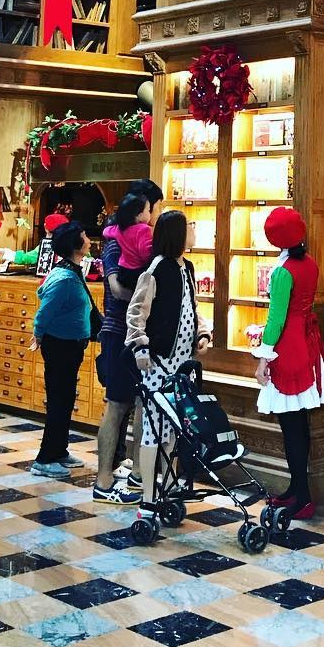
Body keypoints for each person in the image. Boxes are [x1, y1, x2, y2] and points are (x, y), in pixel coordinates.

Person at [125, 209, 212, 511]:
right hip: (159, 363)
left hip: (182, 364)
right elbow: (137, 312)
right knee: (153, 428)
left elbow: (192, 307)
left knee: (174, 427)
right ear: (177, 232)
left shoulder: (187, 268)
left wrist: (201, 333)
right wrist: (140, 346)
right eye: (190, 225)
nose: (194, 230)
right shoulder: (156, 269)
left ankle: (169, 485)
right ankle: (149, 495)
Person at [251, 207, 324, 520]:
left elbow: (276, 319)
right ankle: (297, 489)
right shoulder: (309, 263)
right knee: (300, 424)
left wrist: (263, 357)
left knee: (290, 427)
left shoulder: (282, 271)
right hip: (307, 344)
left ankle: (302, 498)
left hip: (288, 348)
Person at [92, 180, 162, 503]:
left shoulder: (140, 235)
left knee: (141, 405)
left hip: (141, 335)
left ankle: (135, 475)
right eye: (154, 207)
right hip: (119, 332)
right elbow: (117, 289)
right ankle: (103, 481)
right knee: (117, 406)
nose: (156, 213)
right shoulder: (115, 242)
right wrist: (151, 292)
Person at [30, 220, 99, 478]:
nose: (89, 240)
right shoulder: (65, 278)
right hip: (60, 345)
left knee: (66, 399)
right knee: (59, 401)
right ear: (75, 244)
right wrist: (38, 334)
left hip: (71, 344)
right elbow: (45, 310)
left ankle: (59, 450)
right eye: (85, 236)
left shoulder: (71, 272)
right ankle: (45, 458)